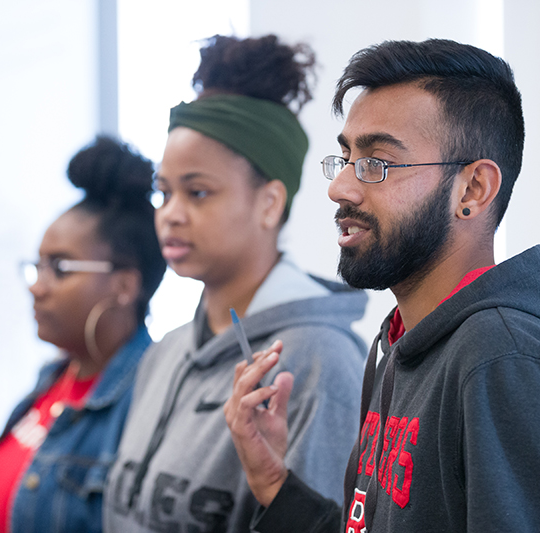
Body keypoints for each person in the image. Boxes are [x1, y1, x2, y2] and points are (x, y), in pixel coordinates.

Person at [224, 38, 540, 532]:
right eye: (345, 159)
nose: (339, 187)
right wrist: (272, 480)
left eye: (376, 164)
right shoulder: (401, 341)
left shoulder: (503, 357)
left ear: (472, 189)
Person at [103, 35, 368, 533]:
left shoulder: (321, 363)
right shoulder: (164, 355)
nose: (171, 215)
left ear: (269, 203)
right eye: (164, 193)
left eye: (198, 192)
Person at [0, 136, 167, 533]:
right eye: (37, 266)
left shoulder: (148, 402)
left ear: (124, 285)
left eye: (60, 268)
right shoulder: (51, 381)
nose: (37, 286)